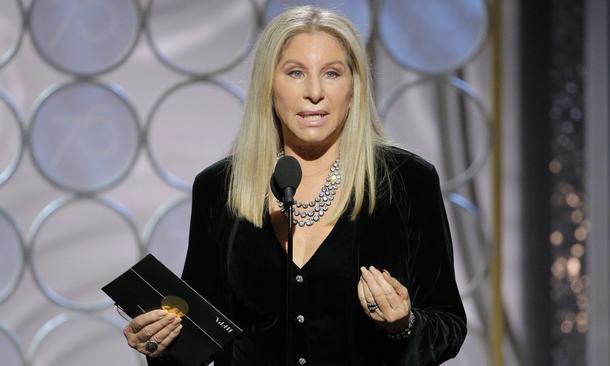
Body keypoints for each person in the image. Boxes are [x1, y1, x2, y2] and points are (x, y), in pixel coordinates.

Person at [123, 5, 466, 365]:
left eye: (332, 73)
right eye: (296, 72)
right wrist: (158, 342)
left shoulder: (407, 181)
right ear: (269, 85)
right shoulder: (218, 187)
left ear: (354, 88)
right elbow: (200, 338)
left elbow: (449, 325)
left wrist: (403, 325)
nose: (314, 92)